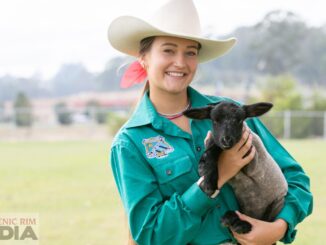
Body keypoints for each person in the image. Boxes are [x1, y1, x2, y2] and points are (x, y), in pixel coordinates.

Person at [108, 0, 313, 244]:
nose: (181, 62)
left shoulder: (231, 113)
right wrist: (215, 177)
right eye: (168, 50)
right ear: (143, 58)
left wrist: (279, 227)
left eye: (190, 52)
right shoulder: (130, 142)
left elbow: (296, 180)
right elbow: (150, 233)